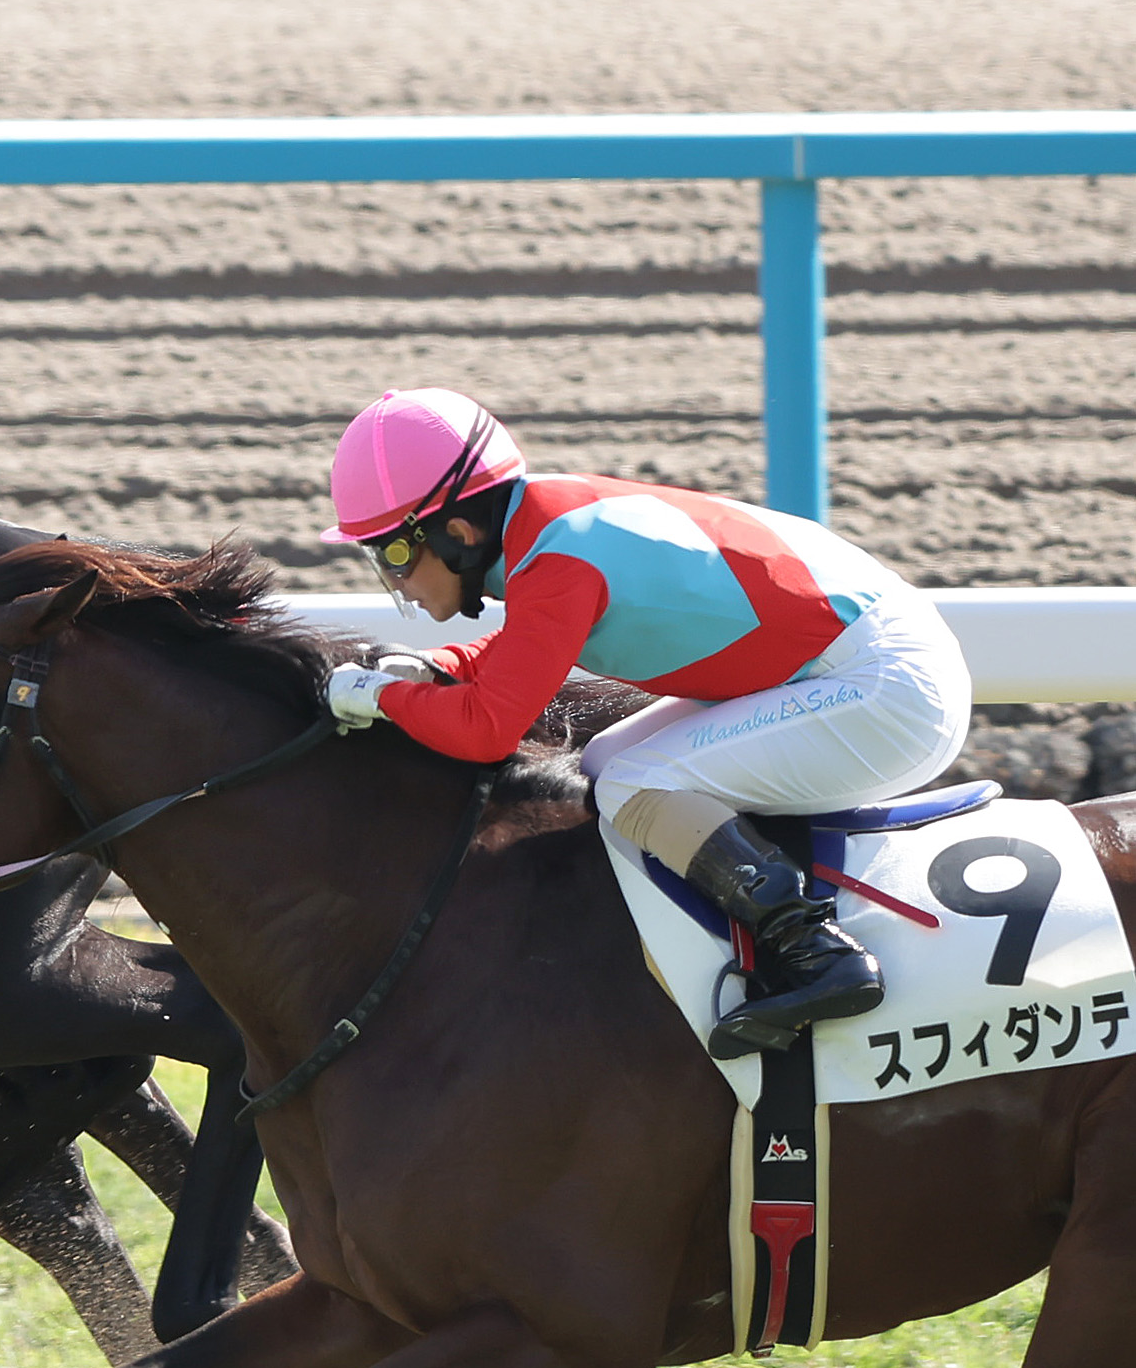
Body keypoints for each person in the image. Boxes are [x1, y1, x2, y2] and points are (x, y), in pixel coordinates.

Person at [319, 387, 971, 1058]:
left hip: (884, 687)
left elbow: (488, 727)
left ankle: (812, 950)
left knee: (633, 783)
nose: (393, 582)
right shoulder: (543, 529)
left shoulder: (556, 558)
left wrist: (379, 697)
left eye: (393, 554)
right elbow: (521, 648)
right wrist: (432, 667)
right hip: (848, 666)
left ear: (457, 530)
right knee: (604, 767)